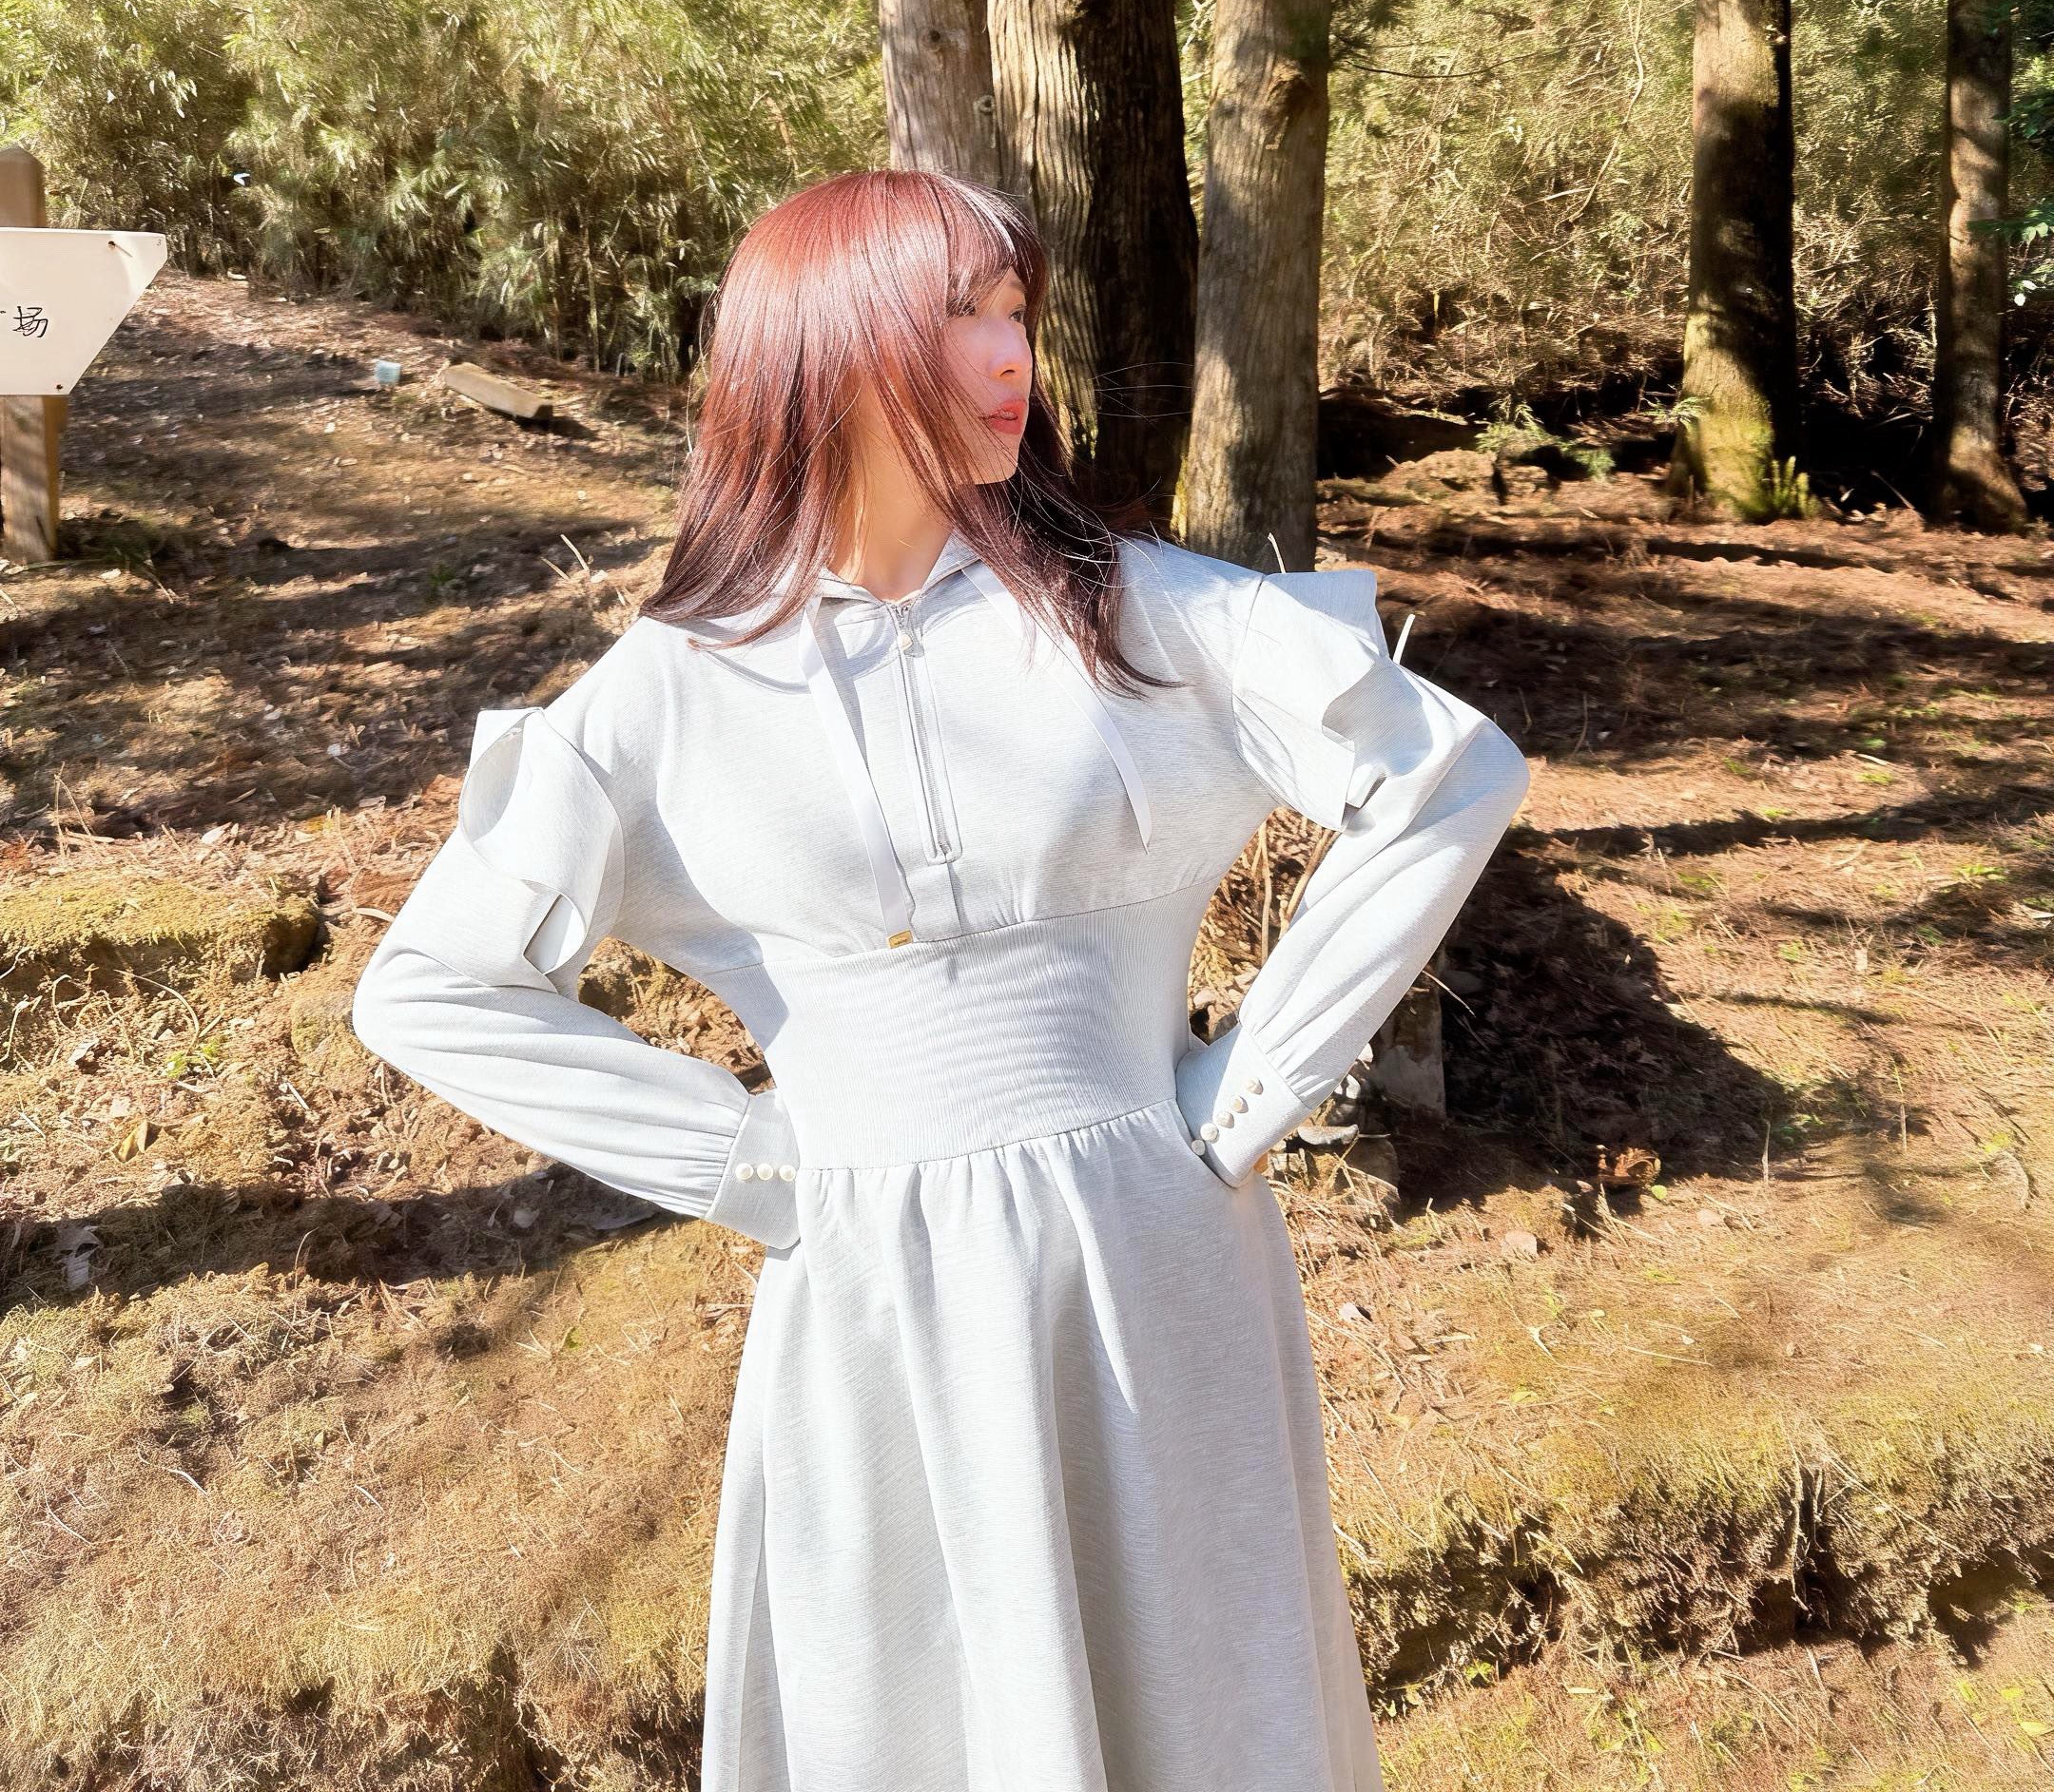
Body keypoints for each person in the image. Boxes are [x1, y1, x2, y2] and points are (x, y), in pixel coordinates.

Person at [352, 166, 1529, 1792]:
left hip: (1155, 1255)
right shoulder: (672, 690)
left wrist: (1248, 1089)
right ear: (820, 351)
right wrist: (751, 1163)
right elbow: (429, 987)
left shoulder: (1133, 612)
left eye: (1015, 311)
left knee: (1201, 1698)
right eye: (957, 313)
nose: (1008, 354)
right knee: (911, 1711)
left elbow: (1449, 772)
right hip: (873, 1292)